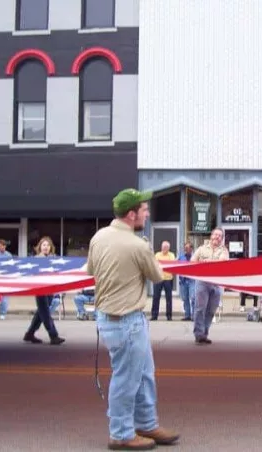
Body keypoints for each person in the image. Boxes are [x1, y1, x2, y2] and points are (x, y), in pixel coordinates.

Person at [88, 188, 179, 450]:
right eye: (144, 210)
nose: (147, 213)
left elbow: (91, 270)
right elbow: (156, 275)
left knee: (145, 374)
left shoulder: (98, 237)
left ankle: (147, 423)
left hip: (113, 319)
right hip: (125, 321)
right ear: (131, 215)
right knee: (127, 379)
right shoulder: (139, 245)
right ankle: (120, 433)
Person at [23, 237, 65, 345]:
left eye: (48, 245)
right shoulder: (36, 259)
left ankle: (30, 333)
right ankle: (53, 335)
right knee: (45, 312)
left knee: (41, 312)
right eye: (43, 245)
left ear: (51, 247)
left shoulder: (55, 259)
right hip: (40, 288)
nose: (46, 247)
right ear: (40, 247)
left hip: (50, 288)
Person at [191, 228, 229, 345]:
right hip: (202, 282)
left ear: (221, 239)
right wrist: (207, 262)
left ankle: (205, 333)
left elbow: (223, 262)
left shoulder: (224, 250)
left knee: (211, 310)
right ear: (211, 236)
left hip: (217, 284)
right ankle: (199, 334)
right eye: (215, 234)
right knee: (200, 309)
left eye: (219, 236)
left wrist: (207, 262)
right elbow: (193, 261)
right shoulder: (201, 249)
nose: (217, 237)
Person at [150, 241, 175, 321]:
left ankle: (169, 315)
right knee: (156, 297)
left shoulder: (171, 255)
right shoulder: (157, 255)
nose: (163, 249)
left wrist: (162, 264)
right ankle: (154, 315)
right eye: (162, 247)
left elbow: (172, 264)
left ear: (168, 248)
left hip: (168, 279)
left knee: (169, 298)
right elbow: (155, 264)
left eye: (165, 247)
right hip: (158, 278)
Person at [177, 242, 195, 321]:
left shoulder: (195, 257)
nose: (186, 249)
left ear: (191, 249)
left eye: (187, 248)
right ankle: (187, 315)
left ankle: (194, 316)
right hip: (183, 281)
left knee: (193, 298)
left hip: (192, 281)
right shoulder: (181, 257)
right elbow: (176, 266)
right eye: (185, 248)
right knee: (185, 299)